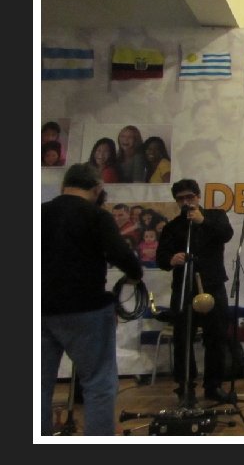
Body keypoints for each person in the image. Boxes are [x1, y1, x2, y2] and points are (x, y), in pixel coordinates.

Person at [41, 164, 144, 436]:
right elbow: (121, 254)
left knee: (38, 384)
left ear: (64, 185)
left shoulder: (40, 213)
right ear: (97, 189)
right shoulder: (96, 216)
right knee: (98, 382)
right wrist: (135, 275)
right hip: (85, 309)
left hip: (40, 308)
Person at [156, 178, 235, 405]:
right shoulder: (172, 227)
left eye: (190, 197)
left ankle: (213, 385)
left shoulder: (215, 216)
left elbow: (226, 234)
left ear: (198, 197)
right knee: (183, 338)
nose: (186, 202)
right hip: (184, 287)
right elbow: (161, 258)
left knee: (216, 337)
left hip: (213, 285)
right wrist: (172, 259)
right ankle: (185, 387)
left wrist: (203, 221)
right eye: (180, 199)